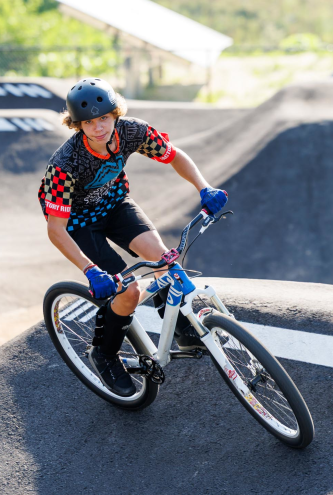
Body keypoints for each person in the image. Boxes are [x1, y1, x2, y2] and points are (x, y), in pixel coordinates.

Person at [39, 78, 227, 397]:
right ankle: (104, 354)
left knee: (164, 261)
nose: (98, 128)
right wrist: (90, 270)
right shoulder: (66, 164)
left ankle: (180, 328)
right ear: (76, 125)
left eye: (104, 118)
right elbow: (55, 229)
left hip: (116, 206)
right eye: (88, 122)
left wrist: (203, 186)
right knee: (127, 292)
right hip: (79, 224)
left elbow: (174, 156)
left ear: (115, 113)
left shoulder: (132, 131)